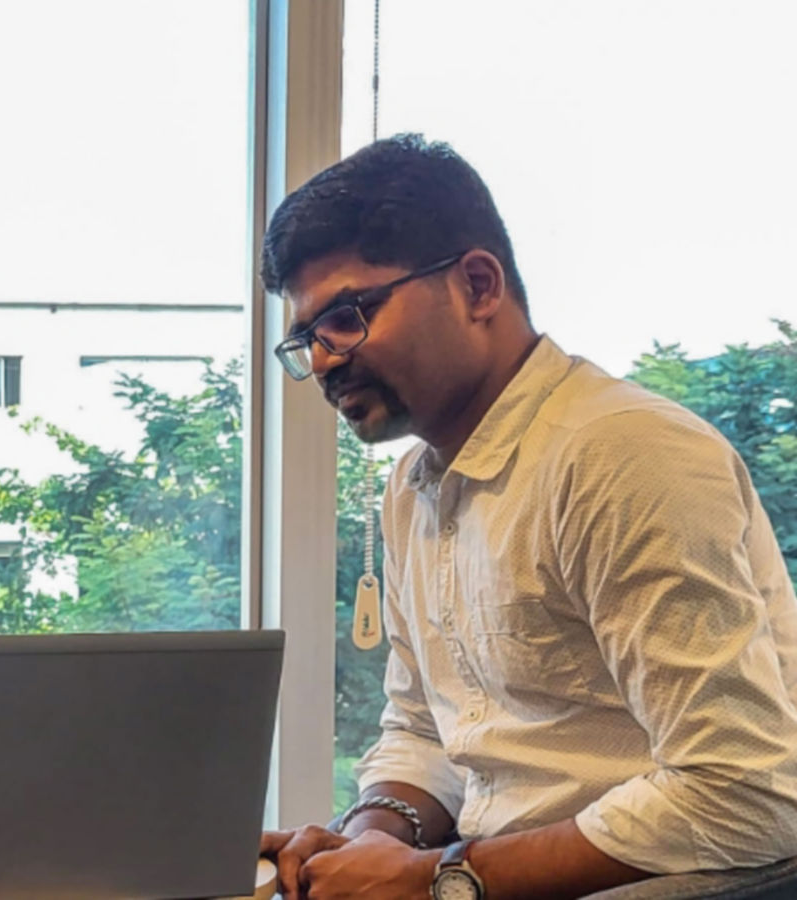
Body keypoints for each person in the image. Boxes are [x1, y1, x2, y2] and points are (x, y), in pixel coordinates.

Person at [257, 135, 797, 899]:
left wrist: (432, 879)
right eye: (306, 339)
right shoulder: (413, 487)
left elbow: (743, 793)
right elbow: (425, 729)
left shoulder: (622, 453)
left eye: (347, 316)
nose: (324, 360)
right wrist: (368, 842)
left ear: (478, 286)